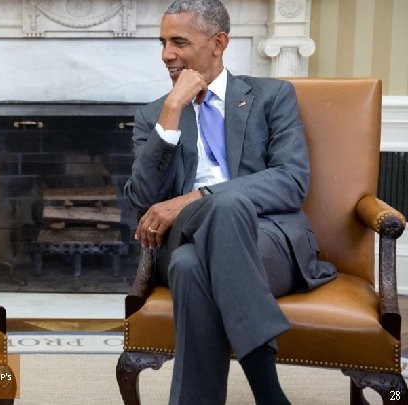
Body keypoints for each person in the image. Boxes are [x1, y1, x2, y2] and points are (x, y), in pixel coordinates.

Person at [123, 0, 337, 403]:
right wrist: (172, 112)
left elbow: (291, 181)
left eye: (179, 42)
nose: (166, 54)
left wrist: (199, 196)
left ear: (219, 42)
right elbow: (144, 201)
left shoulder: (272, 96)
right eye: (163, 42)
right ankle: (268, 391)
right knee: (207, 228)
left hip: (268, 244)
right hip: (184, 237)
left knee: (195, 259)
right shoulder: (154, 115)